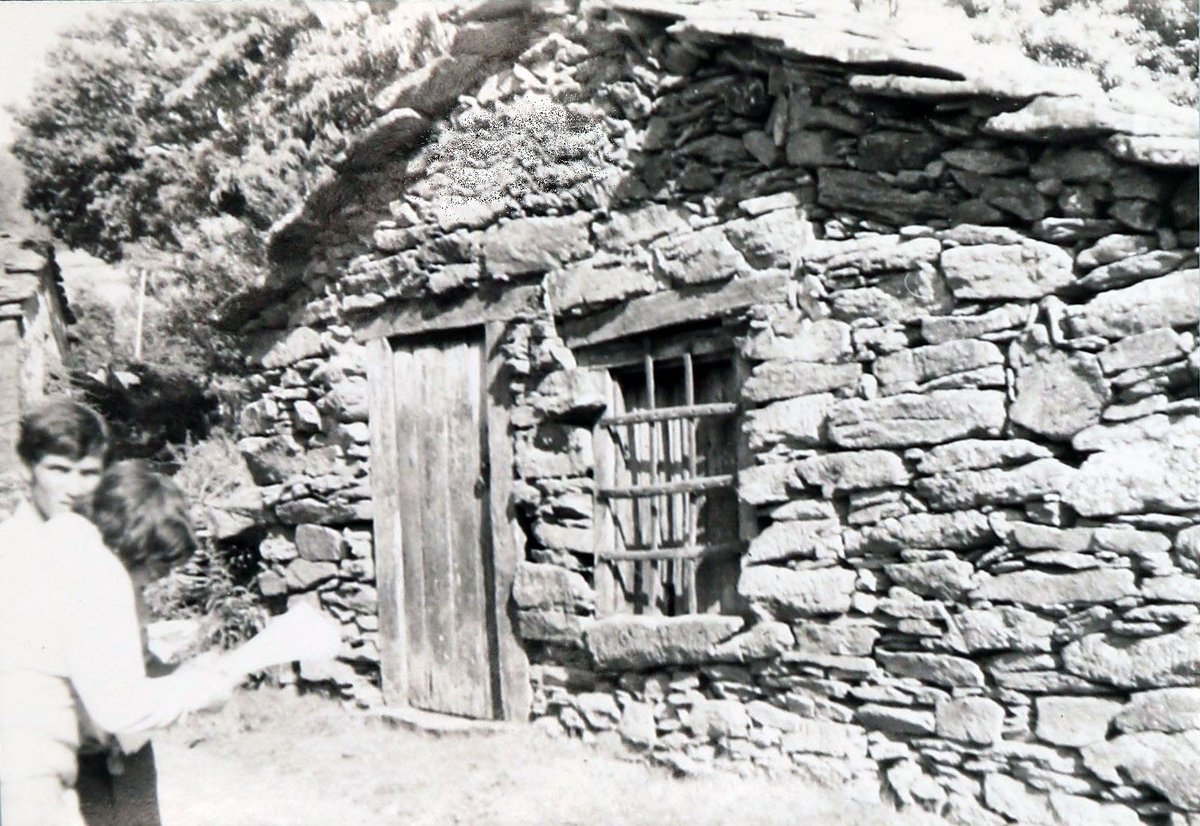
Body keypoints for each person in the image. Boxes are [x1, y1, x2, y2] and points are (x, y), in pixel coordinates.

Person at [0, 400, 236, 826]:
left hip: (115, 759)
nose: (74, 488)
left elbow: (124, 659)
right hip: (42, 769)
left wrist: (174, 674)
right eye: (58, 470)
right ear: (26, 469)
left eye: (88, 473)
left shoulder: (98, 546)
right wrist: (200, 691)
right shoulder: (18, 554)